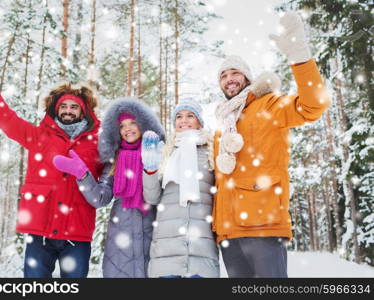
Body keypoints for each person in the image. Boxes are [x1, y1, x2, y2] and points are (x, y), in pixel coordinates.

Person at [212, 12, 331, 277]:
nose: (229, 79)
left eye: (235, 73)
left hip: (263, 225)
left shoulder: (269, 105)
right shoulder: (223, 124)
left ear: (247, 77)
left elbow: (313, 105)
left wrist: (299, 56)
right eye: (223, 76)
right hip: (229, 233)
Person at [0, 65, 103, 278]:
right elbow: (7, 120)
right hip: (40, 233)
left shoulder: (97, 143)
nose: (68, 110)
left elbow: (117, 165)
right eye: (64, 106)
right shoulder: (39, 137)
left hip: (77, 234)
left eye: (74, 107)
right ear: (56, 109)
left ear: (84, 111)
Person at [53, 98, 165, 277]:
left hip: (153, 230)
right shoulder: (115, 161)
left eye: (132, 123)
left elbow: (160, 195)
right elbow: (100, 198)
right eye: (122, 126)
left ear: (144, 124)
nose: (127, 129)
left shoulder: (159, 153)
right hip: (121, 239)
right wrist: (83, 175)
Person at [142, 99, 220, 278]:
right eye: (179, 116)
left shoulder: (212, 151)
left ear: (199, 121)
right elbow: (152, 197)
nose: (183, 120)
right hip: (166, 249)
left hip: (202, 248)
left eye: (190, 116)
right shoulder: (166, 152)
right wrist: (150, 168)